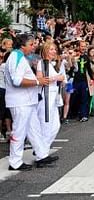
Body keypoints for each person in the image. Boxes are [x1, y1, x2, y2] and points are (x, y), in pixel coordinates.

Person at [5, 34, 58, 171]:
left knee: (34, 130)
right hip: (20, 102)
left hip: (28, 101)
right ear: (22, 45)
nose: (34, 46)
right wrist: (37, 82)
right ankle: (15, 162)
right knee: (19, 132)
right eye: (31, 44)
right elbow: (17, 81)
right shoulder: (15, 57)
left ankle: (41, 155)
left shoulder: (21, 57)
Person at [36, 41, 65, 151]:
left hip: (53, 96)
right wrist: (57, 78)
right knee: (46, 125)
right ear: (45, 50)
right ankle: (42, 151)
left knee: (55, 125)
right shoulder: (42, 63)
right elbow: (40, 79)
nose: (54, 51)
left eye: (55, 49)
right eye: (51, 49)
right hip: (46, 97)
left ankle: (42, 148)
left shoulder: (50, 64)